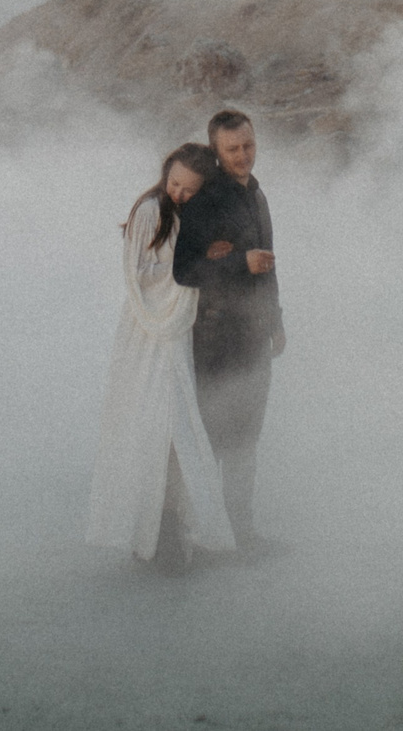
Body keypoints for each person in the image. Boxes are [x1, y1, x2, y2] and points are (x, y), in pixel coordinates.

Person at [87, 142, 238, 567]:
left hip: (179, 331)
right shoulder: (151, 210)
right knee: (155, 421)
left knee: (177, 427)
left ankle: (171, 527)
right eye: (174, 184)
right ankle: (151, 531)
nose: (179, 195)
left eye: (189, 190)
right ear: (164, 175)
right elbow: (138, 275)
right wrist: (191, 263)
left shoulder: (193, 215)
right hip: (148, 329)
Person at [172, 108, 282, 550]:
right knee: (212, 439)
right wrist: (239, 262)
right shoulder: (205, 201)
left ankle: (240, 532)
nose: (243, 156)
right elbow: (183, 270)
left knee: (246, 440)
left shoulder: (256, 194)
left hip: (255, 335)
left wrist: (277, 322)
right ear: (216, 152)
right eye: (233, 149)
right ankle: (193, 536)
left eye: (249, 145)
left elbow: (269, 264)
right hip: (216, 340)